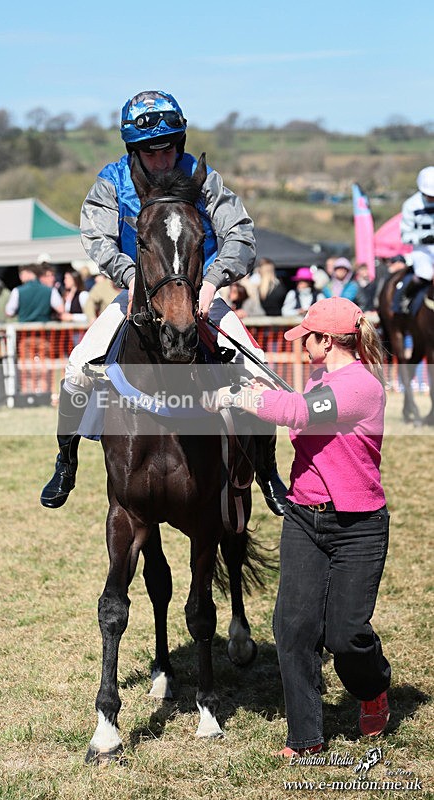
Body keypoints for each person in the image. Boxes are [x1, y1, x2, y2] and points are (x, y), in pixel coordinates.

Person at [40, 89, 287, 514]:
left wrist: (211, 282)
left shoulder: (204, 178)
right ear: (134, 150)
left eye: (170, 147)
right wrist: (130, 276)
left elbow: (242, 234)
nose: (163, 159)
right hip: (138, 291)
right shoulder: (110, 182)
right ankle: (66, 461)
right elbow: (95, 237)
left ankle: (268, 472)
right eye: (152, 152)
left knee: (258, 369)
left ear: (181, 143)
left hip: (202, 293)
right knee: (79, 365)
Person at [213, 297, 391, 756]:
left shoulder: (360, 385)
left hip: (358, 525)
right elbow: (296, 402)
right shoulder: (321, 378)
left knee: (345, 636)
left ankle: (373, 688)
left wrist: (242, 395)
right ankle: (306, 738)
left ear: (327, 340)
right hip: (304, 517)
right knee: (292, 627)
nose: (301, 343)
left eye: (306, 336)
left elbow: (301, 413)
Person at [396, 166, 434, 313]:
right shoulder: (411, 205)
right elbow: (405, 236)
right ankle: (406, 297)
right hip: (422, 249)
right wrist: (423, 239)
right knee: (424, 274)